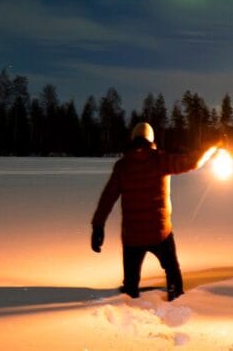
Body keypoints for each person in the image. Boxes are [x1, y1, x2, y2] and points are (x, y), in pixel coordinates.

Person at [91, 122, 218, 301]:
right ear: (151, 139)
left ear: (133, 138)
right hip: (160, 233)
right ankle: (175, 294)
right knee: (172, 269)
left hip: (132, 236)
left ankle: (130, 295)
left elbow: (108, 197)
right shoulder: (161, 160)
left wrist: (98, 226)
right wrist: (212, 146)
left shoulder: (122, 166)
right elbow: (192, 161)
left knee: (130, 283)